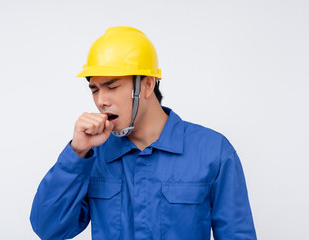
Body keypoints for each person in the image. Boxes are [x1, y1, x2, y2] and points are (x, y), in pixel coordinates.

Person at [30, 26, 257, 240]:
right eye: (95, 90)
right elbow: (49, 229)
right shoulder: (92, 155)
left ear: (147, 85)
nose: (101, 101)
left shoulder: (212, 151)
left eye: (112, 87)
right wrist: (77, 153)